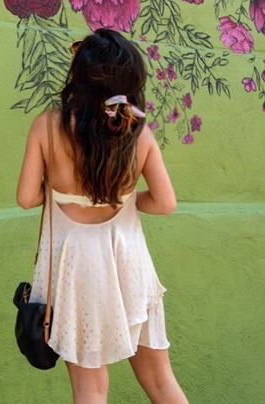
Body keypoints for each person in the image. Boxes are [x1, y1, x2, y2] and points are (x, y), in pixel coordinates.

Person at [16, 28, 188, 404]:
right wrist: (123, 199)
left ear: (79, 75)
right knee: (161, 382)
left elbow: (26, 198)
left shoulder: (47, 126)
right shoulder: (138, 134)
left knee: (90, 389)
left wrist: (58, 189)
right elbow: (165, 203)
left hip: (76, 269)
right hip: (129, 264)